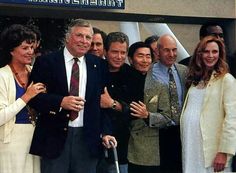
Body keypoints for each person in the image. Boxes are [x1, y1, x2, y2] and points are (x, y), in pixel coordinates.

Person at [28, 19, 116, 173]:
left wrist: (106, 132)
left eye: (88, 37)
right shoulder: (46, 62)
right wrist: (60, 102)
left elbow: (101, 105)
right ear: (68, 37)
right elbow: (34, 99)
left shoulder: (99, 65)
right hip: (54, 138)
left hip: (88, 140)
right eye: (79, 36)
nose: (84, 41)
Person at [180, 35, 236, 173]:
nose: (210, 55)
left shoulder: (226, 80)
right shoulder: (195, 81)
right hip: (191, 146)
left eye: (214, 52)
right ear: (199, 54)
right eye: (206, 51)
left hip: (212, 152)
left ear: (220, 54)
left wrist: (224, 152)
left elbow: (232, 118)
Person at [0, 24, 46, 173]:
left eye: (32, 48)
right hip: (10, 141)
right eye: (25, 48)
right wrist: (26, 97)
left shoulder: (35, 72)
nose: (30, 52)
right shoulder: (2, 75)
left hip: (35, 139)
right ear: (11, 50)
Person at [127, 41, 171, 173]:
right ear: (130, 59)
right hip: (121, 144)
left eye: (148, 56)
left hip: (148, 151)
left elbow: (168, 118)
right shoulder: (122, 80)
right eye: (140, 56)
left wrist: (148, 116)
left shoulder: (160, 85)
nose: (145, 60)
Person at [97, 32, 137, 173]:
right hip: (93, 143)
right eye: (114, 52)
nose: (119, 57)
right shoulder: (94, 70)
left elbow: (136, 110)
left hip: (120, 146)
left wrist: (113, 104)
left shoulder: (132, 75)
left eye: (123, 52)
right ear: (105, 52)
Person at [152, 34, 187, 173]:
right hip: (159, 133)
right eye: (167, 50)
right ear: (157, 52)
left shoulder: (184, 71)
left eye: (174, 50)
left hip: (181, 133)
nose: (172, 54)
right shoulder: (149, 73)